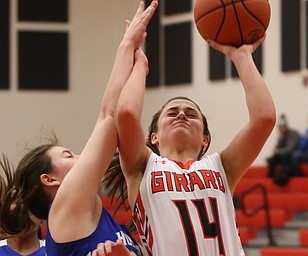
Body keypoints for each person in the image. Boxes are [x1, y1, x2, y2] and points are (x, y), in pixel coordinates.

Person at [0, 1, 158, 255]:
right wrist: (129, 48)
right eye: (68, 155)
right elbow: (110, 117)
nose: (82, 156)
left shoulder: (107, 224)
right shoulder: (64, 208)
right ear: (50, 180)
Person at [109, 34, 276, 255]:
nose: (181, 115)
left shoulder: (222, 166)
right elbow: (126, 114)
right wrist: (140, 66)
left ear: (205, 138)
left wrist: (243, 57)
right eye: (172, 113)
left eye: (191, 114)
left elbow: (264, 118)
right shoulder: (142, 166)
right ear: (154, 137)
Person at [0, 155, 46, 256]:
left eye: (31, 204)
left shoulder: (54, 252)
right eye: (16, 201)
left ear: (42, 218)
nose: (23, 207)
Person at [266, 114, 301, 185]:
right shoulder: (282, 136)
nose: (280, 129)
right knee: (272, 159)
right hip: (284, 154)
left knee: (284, 155)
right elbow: (279, 148)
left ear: (285, 127)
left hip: (291, 155)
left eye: (281, 127)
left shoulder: (292, 134)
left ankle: (284, 175)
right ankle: (269, 177)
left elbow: (290, 149)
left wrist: (278, 151)